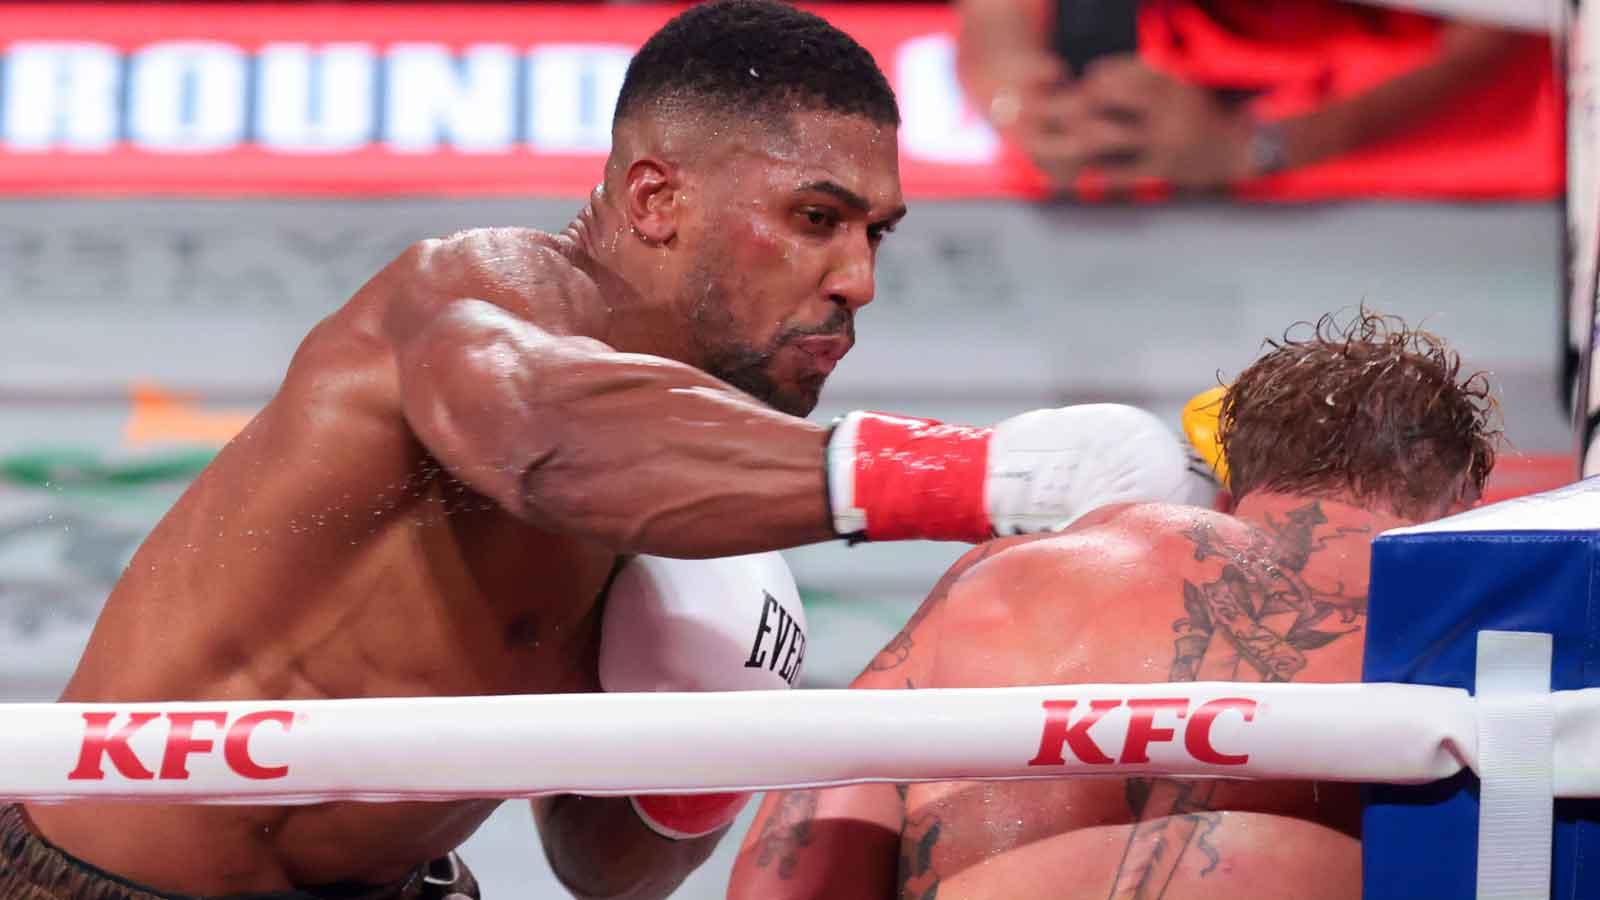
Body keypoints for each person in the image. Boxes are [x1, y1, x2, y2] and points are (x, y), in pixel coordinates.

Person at [1, 2, 1210, 899]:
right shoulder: (474, 297)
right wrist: (977, 479)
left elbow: (604, 869)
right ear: (652, 198)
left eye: (875, 234)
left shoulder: (685, 504)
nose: (857, 280)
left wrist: (707, 719)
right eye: (815, 219)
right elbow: (542, 433)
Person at [728, 309, 1498, 900]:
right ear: (1460, 504)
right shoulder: (1480, 629)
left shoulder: (1000, 582)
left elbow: (796, 867)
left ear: (1234, 484)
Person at [957, 0, 1546, 196]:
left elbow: (1505, 28)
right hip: (1194, 93)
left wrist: (1265, 145)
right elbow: (998, 35)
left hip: (1493, 124)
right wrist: (1011, 85)